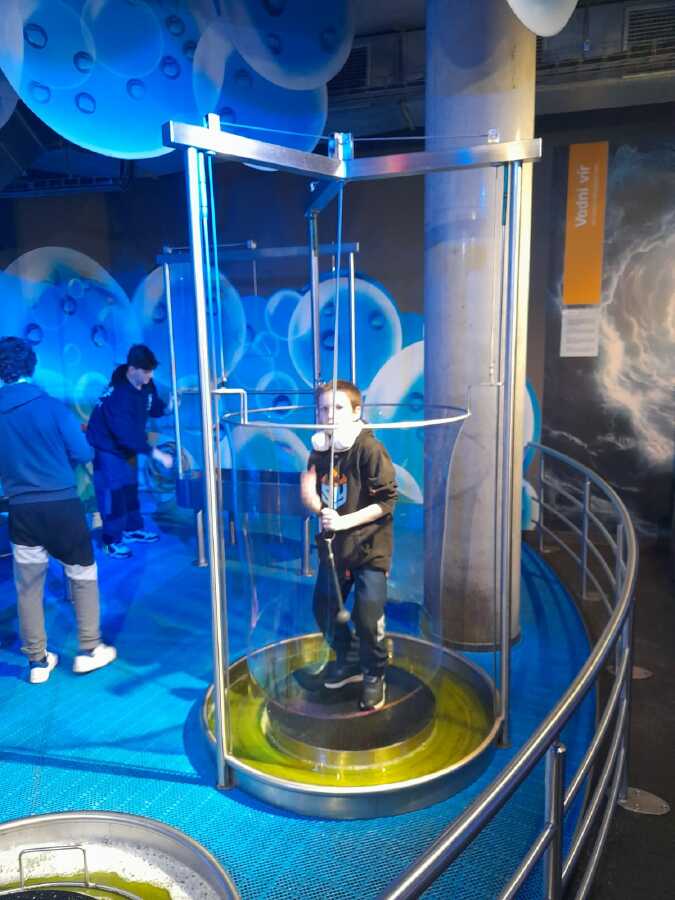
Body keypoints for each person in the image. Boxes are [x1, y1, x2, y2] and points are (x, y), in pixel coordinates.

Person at [0, 337, 116, 684]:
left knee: (28, 588)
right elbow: (84, 453)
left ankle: (37, 662)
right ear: (31, 367)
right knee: (82, 575)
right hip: (62, 506)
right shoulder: (52, 407)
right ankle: (89, 650)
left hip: (21, 511)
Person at [300, 380, 397, 711]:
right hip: (335, 548)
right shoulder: (319, 451)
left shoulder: (370, 450)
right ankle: (350, 656)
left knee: (368, 616)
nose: (329, 415)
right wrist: (316, 504)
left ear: (357, 412)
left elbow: (386, 501)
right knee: (324, 608)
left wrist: (344, 521)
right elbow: (315, 495)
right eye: (324, 408)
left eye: (338, 408)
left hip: (369, 548)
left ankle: (374, 674)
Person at [86, 344, 173, 559]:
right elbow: (125, 434)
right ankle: (111, 540)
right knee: (113, 493)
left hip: (126, 447)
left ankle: (132, 529)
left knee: (129, 489)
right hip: (108, 448)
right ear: (132, 369)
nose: (150, 376)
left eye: (151, 371)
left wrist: (168, 408)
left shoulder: (146, 383)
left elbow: (152, 406)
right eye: (146, 371)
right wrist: (157, 454)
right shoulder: (118, 395)